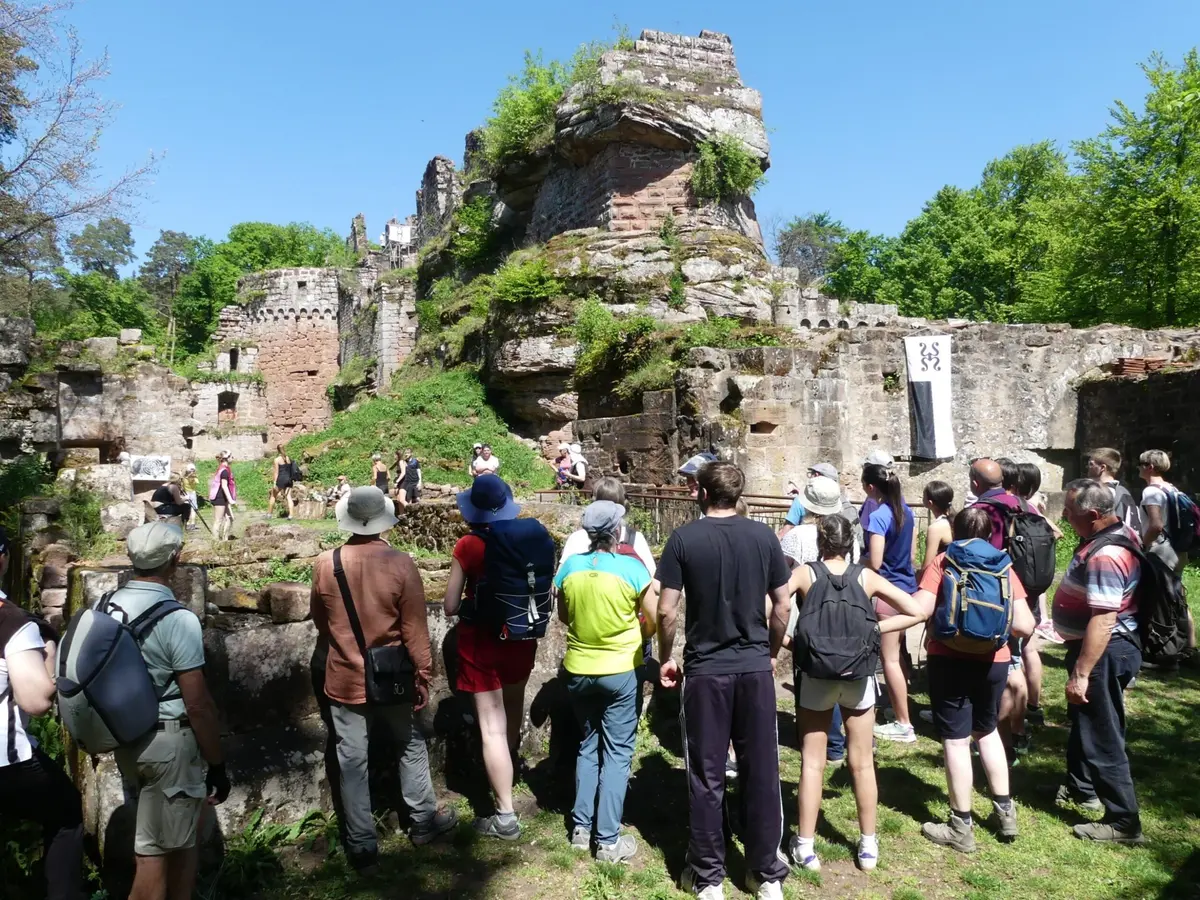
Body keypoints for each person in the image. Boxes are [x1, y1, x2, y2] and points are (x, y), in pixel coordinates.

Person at [657, 461, 792, 900]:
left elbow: (666, 610)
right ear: (739, 495)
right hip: (753, 668)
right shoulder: (764, 537)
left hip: (706, 670)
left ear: (700, 493)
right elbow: (783, 606)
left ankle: (708, 876)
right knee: (761, 770)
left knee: (707, 773)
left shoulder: (683, 539)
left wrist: (665, 657)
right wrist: (770, 654)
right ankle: (765, 873)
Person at [310, 487, 457, 871]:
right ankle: (423, 820)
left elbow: (320, 622)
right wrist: (423, 675)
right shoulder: (400, 564)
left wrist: (343, 646)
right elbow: (415, 630)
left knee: (351, 758)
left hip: (344, 676)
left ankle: (361, 844)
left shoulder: (326, 564)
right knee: (409, 743)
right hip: (392, 676)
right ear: (382, 520)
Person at [786, 516, 926, 872]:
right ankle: (867, 845)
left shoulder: (805, 573)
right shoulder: (866, 577)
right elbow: (915, 610)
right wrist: (875, 630)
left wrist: (792, 643)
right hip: (858, 675)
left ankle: (805, 845)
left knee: (813, 762)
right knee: (862, 763)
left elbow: (772, 607)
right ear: (852, 543)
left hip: (816, 674)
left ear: (820, 541)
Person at [108, 522, 230, 900]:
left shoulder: (108, 606)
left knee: (177, 848)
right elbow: (197, 702)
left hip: (127, 737)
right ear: (174, 560)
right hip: (168, 745)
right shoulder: (177, 620)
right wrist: (217, 763)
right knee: (156, 859)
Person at [916, 508, 1035, 852]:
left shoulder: (944, 561)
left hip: (949, 659)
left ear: (955, 530)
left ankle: (960, 827)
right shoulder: (1003, 565)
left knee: (955, 741)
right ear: (990, 534)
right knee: (987, 732)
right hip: (993, 662)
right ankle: (1006, 814)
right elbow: (1025, 625)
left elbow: (922, 609)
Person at [555, 501, 653, 863]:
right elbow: (653, 620)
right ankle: (608, 840)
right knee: (617, 752)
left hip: (579, 667)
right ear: (616, 531)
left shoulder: (569, 568)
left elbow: (564, 615)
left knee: (587, 744)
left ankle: (581, 828)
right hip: (619, 669)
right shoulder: (631, 569)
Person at [1050, 479, 1144, 844]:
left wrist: (1082, 673)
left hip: (1105, 650)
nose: (1065, 517)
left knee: (1102, 732)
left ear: (1092, 515)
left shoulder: (1106, 555)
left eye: (1069, 513)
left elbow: (1104, 618)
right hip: (1108, 647)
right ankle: (1080, 786)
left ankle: (1123, 821)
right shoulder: (1120, 531)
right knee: (1085, 722)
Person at [444, 474, 535, 840]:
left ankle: (505, 815)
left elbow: (450, 605)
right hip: (520, 638)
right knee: (511, 711)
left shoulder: (468, 545)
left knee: (491, 727)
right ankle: (507, 778)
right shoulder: (527, 541)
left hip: (482, 642)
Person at [0, 526, 87, 900]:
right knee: (66, 815)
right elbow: (35, 700)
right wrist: (49, 653)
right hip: (6, 761)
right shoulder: (11, 622)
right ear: (3, 559)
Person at [861, 463, 919, 743]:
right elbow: (910, 552)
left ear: (871, 488)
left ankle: (904, 724)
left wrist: (854, 562)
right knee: (899, 654)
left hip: (887, 591)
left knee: (890, 660)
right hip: (906, 588)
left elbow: (875, 561)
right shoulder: (906, 511)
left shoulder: (879, 516)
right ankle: (901, 708)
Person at [1136, 449, 1197, 657]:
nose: (1138, 468)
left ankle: (1163, 647)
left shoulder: (1151, 492)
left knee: (1159, 600)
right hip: (1179, 551)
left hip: (1160, 551)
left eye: (1141, 464)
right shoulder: (1173, 489)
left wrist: (1142, 546)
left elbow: (1155, 525)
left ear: (1149, 467)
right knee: (1178, 597)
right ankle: (1189, 645)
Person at [1086, 447, 1141, 531]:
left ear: (1102, 468)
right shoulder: (1123, 491)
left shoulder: (1101, 493)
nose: (1087, 467)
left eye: (1091, 464)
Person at [919, 481, 954, 576]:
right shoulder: (955, 520)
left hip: (941, 576)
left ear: (930, 503)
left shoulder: (936, 528)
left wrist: (918, 580)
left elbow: (928, 565)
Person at [209, 450, 236, 541]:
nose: (233, 458)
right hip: (219, 497)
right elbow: (224, 486)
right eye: (231, 456)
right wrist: (230, 500)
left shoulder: (226, 469)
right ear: (226, 458)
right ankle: (215, 540)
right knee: (218, 520)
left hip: (224, 497)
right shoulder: (224, 471)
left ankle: (225, 539)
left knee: (230, 518)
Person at [269, 444, 296, 519]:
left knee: (273, 496)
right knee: (289, 497)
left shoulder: (277, 460)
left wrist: (274, 482)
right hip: (289, 480)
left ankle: (269, 514)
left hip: (281, 480)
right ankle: (291, 516)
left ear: (277, 450)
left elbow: (276, 473)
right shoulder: (288, 458)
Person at [180, 463, 199, 531]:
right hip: (192, 493)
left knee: (187, 509)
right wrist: (194, 475)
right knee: (193, 509)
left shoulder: (184, 478)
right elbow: (197, 482)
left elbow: (181, 483)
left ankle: (187, 524)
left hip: (186, 494)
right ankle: (192, 524)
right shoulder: (194, 478)